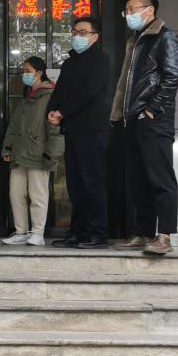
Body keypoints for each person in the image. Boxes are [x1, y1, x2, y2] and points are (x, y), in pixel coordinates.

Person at [111, 0, 178, 256]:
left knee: (160, 178)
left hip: (154, 120)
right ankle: (144, 233)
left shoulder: (166, 37)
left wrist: (152, 109)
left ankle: (164, 236)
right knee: (138, 180)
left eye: (133, 9)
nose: (129, 14)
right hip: (131, 120)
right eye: (126, 10)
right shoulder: (136, 40)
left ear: (150, 10)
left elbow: (173, 76)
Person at [47, 16, 112, 249]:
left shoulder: (100, 60)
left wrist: (62, 112)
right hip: (72, 129)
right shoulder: (69, 63)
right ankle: (79, 232)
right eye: (75, 32)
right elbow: (59, 91)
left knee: (92, 182)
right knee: (75, 185)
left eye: (83, 32)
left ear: (95, 37)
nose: (77, 36)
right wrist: (52, 111)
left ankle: (97, 234)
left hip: (92, 128)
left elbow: (89, 92)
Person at [1, 55, 64, 247]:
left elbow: (55, 129)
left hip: (39, 154)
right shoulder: (27, 97)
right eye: (23, 71)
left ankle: (37, 233)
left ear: (40, 72)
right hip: (20, 154)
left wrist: (51, 153)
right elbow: (14, 126)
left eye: (28, 71)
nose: (24, 75)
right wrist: (7, 148)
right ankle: (21, 231)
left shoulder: (50, 96)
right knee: (16, 194)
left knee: (38, 195)